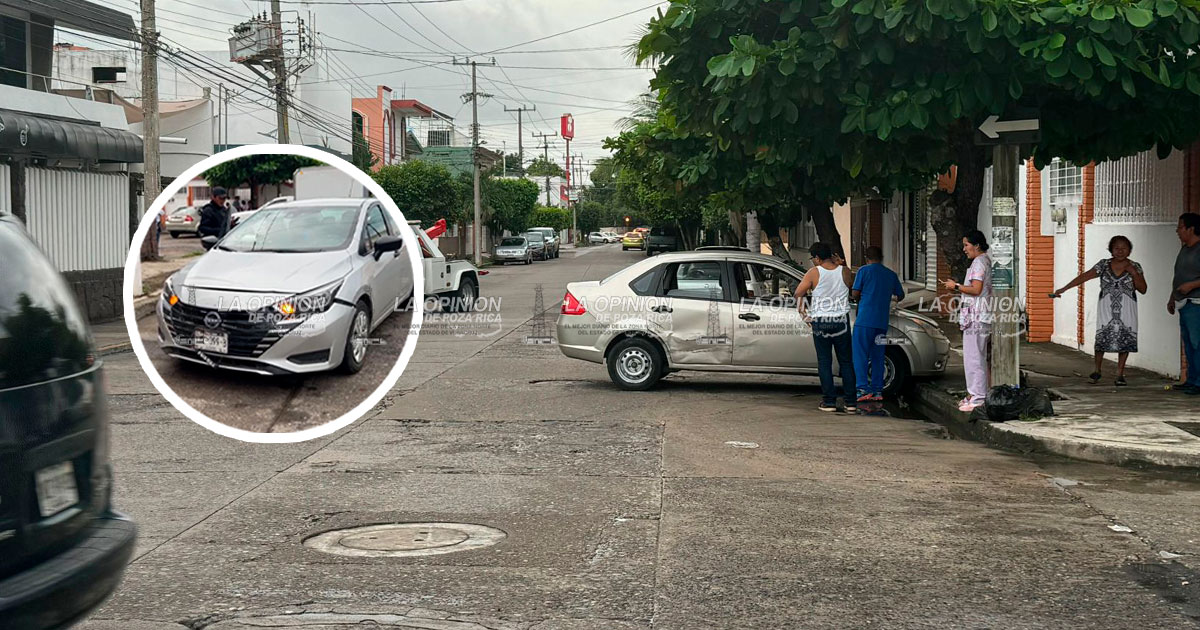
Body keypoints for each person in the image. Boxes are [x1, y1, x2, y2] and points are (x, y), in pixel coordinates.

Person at [1052, 235, 1147, 385]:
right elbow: (1085, 276)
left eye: (1124, 248)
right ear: (1111, 250)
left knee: (1125, 338)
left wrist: (1134, 273)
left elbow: (1143, 289)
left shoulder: (1135, 266)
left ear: (1129, 250)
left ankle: (1120, 374)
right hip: (1106, 307)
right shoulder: (1103, 265)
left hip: (1127, 307)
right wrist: (1064, 289)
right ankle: (1097, 370)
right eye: (1116, 248)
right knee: (1102, 337)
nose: (1120, 251)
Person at [795, 242, 857, 413]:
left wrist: (804, 314)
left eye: (813, 258)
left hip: (821, 321)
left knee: (825, 361)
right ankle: (851, 402)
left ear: (817, 258)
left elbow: (798, 293)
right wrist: (842, 263)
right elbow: (851, 286)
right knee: (846, 361)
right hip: (841, 321)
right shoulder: (844, 271)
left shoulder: (814, 272)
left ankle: (829, 402)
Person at [942, 230, 992, 412]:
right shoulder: (984, 261)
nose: (964, 249)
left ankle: (978, 397)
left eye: (966, 245)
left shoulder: (979, 263)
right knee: (978, 357)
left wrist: (955, 286)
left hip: (976, 317)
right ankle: (977, 394)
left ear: (976, 245)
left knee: (973, 358)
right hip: (980, 315)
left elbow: (976, 289)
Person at [851, 246, 905, 402]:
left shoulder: (863, 271)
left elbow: (855, 293)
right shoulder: (890, 274)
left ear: (866, 257)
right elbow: (900, 295)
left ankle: (862, 389)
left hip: (864, 320)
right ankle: (877, 390)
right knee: (878, 356)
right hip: (881, 322)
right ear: (881, 257)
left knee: (860, 355)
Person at [1170, 212, 1200, 394]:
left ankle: (1198, 382)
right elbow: (1178, 275)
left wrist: (1192, 285)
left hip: (1196, 303)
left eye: (1180, 227)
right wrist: (1172, 297)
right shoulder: (1184, 249)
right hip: (1183, 302)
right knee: (1188, 344)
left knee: (1198, 344)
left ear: (1191, 229)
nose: (1177, 231)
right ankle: (1191, 379)